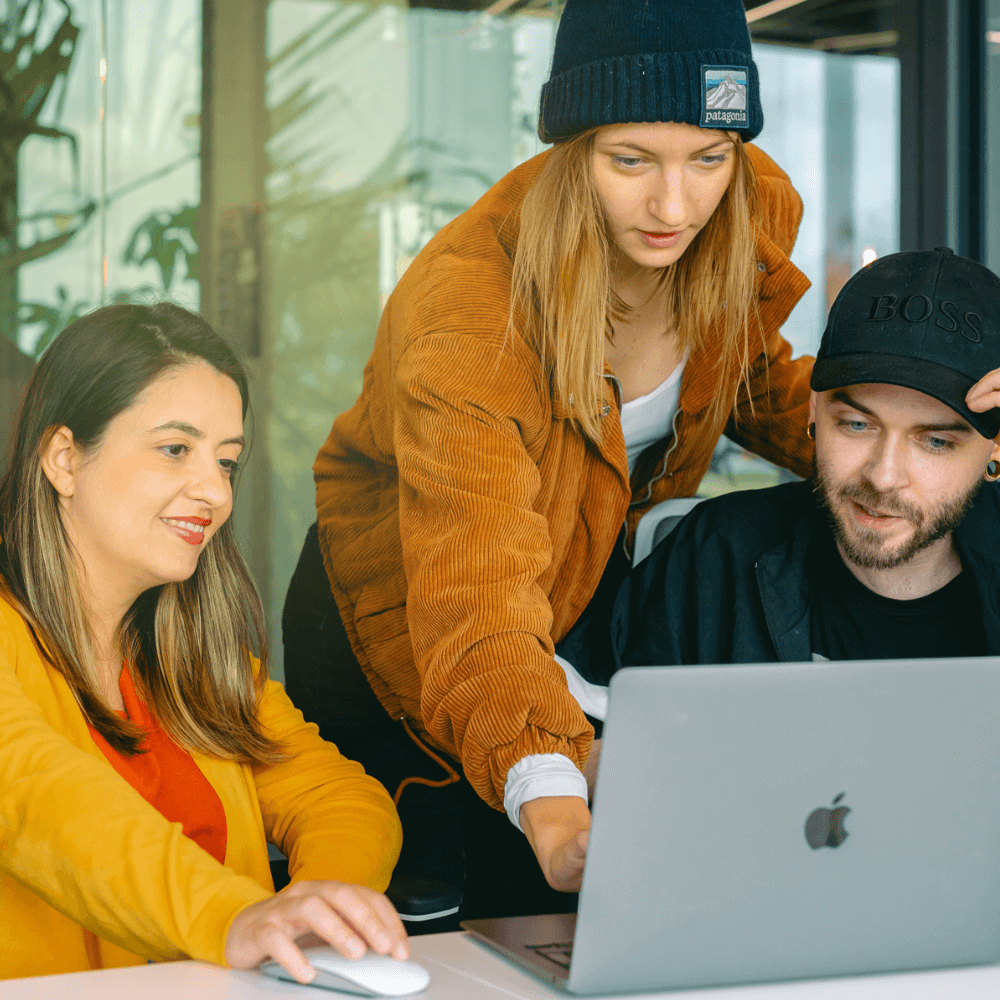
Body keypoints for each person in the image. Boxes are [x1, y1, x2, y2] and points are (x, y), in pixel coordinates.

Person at [284, 0, 818, 918]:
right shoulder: (470, 314)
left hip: (569, 591)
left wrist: (937, 428)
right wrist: (557, 802)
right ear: (573, 149)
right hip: (408, 616)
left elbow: (753, 379)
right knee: (460, 914)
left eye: (708, 157)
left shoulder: (742, 214)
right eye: (630, 161)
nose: (675, 205)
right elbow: (478, 597)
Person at [0, 304, 407, 982]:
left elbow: (342, 798)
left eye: (227, 461)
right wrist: (233, 919)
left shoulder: (197, 664)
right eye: (174, 450)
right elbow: (43, 801)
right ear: (64, 458)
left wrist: (316, 904)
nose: (214, 491)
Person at [557, 248, 1000, 718]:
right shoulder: (717, 553)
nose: (883, 476)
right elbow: (562, 734)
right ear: (814, 408)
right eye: (856, 424)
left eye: (934, 442)